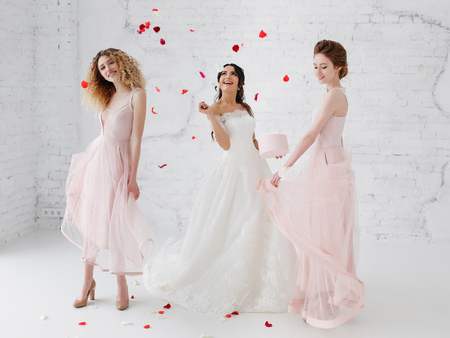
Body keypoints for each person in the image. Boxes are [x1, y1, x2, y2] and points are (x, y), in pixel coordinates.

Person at [144, 64, 296, 316]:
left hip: (257, 166)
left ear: (240, 83)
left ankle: (262, 274)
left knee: (263, 218)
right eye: (224, 73)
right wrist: (211, 116)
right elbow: (226, 145)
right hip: (234, 170)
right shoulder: (214, 109)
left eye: (233, 74)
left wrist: (270, 152)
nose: (228, 76)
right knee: (237, 220)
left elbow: (253, 139)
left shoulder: (246, 108)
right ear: (219, 82)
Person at [257, 40, 365, 329]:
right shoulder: (330, 94)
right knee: (321, 227)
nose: (318, 72)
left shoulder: (334, 96)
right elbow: (329, 137)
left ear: (338, 67)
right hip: (328, 161)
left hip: (328, 166)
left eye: (324, 67)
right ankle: (321, 295)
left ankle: (325, 299)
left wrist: (286, 166)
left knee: (324, 230)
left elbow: (310, 134)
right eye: (315, 66)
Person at [61, 48, 154, 310]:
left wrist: (132, 177)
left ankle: (121, 285)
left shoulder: (138, 95)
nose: (107, 69)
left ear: (121, 63)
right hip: (98, 160)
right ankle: (86, 282)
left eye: (110, 63)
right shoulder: (108, 95)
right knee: (93, 219)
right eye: (102, 67)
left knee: (117, 223)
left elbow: (135, 138)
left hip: (119, 163)